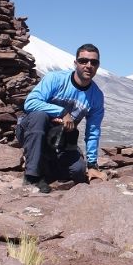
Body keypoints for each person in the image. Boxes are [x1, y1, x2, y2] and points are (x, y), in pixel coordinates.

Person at [15, 43, 105, 192]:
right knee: (39, 115)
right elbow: (30, 103)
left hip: (59, 140)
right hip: (31, 130)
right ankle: (32, 176)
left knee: (77, 170)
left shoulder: (96, 96)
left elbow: (93, 130)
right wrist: (62, 112)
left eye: (93, 62)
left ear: (98, 66)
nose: (88, 65)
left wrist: (92, 164)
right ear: (75, 63)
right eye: (83, 61)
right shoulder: (55, 79)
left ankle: (44, 166)